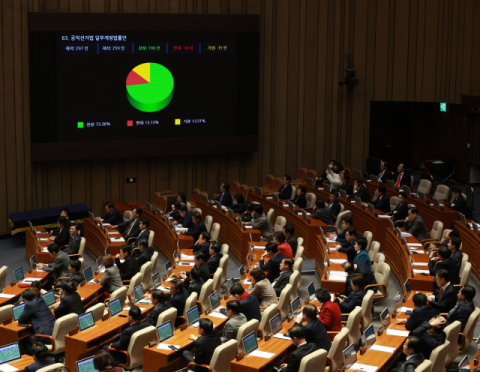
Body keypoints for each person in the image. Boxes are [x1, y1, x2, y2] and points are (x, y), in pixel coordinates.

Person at [18, 288, 56, 355]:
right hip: (54, 330)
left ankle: (34, 358)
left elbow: (21, 320)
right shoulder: (41, 300)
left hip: (45, 334)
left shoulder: (29, 305)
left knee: (24, 340)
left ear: (25, 299)